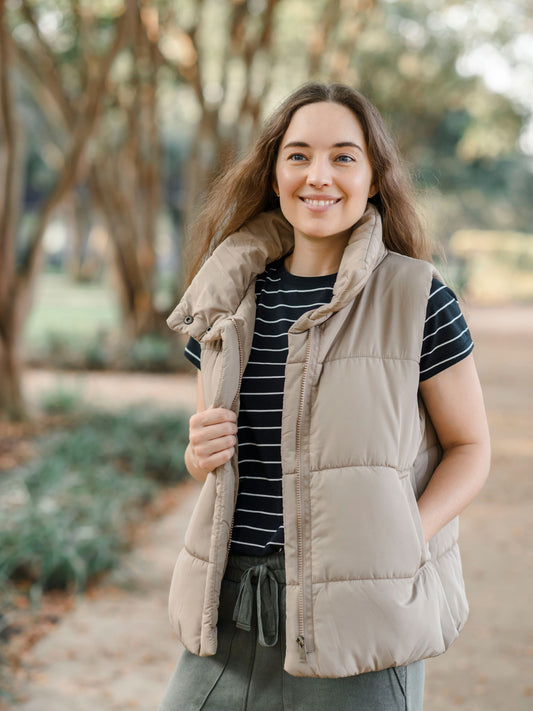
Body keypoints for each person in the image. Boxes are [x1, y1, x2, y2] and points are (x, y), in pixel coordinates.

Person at [158, 83, 491, 711]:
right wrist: (197, 455)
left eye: (344, 156)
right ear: (274, 173)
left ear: (373, 178)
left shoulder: (416, 298)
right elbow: (208, 456)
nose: (319, 175)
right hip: (227, 612)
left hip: (359, 620)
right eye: (299, 155)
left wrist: (407, 535)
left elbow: (470, 447)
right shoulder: (223, 301)